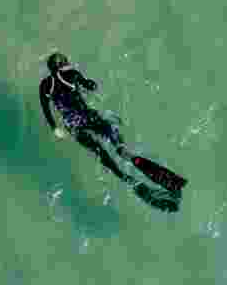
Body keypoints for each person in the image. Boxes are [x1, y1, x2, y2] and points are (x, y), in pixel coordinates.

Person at [39, 52, 186, 212]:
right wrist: (89, 83)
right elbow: (90, 86)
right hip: (90, 117)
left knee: (102, 154)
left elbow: (46, 110)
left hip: (74, 125)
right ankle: (128, 156)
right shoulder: (71, 74)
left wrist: (55, 128)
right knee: (121, 150)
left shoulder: (45, 86)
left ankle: (128, 179)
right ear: (64, 64)